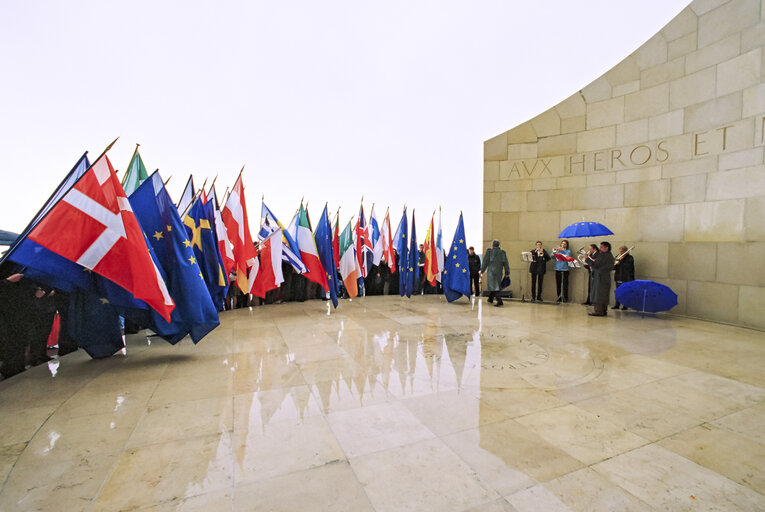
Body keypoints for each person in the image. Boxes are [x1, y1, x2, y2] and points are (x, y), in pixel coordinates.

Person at [587, 241, 615, 316]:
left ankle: (598, 311)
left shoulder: (604, 255)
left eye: (601, 247)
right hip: (604, 276)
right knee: (603, 294)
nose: (600, 248)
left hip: (600, 277)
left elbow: (596, 264)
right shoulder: (609, 255)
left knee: (598, 294)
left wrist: (587, 259)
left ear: (607, 248)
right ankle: (603, 310)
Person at [481, 240, 510, 307]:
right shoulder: (503, 253)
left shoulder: (489, 252)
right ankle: (490, 299)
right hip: (499, 272)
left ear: (493, 245)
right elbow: (506, 263)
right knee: (495, 285)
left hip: (491, 272)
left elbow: (485, 262)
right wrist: (507, 272)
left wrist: (482, 271)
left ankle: (499, 301)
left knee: (495, 286)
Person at [613, 246, 635, 310]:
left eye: (622, 251)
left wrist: (621, 261)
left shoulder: (630, 258)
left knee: (625, 292)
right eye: (620, 251)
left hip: (626, 277)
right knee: (618, 291)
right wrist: (615, 263)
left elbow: (628, 267)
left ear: (626, 251)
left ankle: (625, 305)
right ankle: (617, 304)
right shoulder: (617, 256)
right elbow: (614, 266)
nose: (620, 252)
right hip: (618, 276)